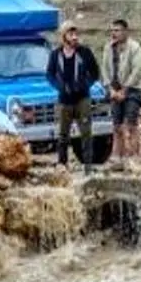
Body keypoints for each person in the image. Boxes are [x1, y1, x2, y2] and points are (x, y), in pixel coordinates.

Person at [47, 20, 100, 174]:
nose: (75, 37)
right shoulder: (56, 55)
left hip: (82, 98)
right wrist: (59, 86)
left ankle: (88, 165)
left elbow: (95, 73)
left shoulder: (84, 52)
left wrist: (85, 85)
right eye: (71, 34)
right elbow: (49, 74)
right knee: (63, 133)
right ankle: (62, 164)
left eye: (76, 34)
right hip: (64, 99)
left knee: (86, 132)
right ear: (64, 36)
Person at [100, 18, 141, 167]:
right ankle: (117, 157)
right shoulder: (108, 48)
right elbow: (104, 69)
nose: (114, 33)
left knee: (130, 124)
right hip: (114, 90)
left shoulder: (134, 47)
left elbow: (138, 69)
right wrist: (111, 89)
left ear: (125, 31)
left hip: (132, 90)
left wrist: (125, 89)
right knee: (116, 126)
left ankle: (132, 156)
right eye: (112, 30)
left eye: (117, 30)